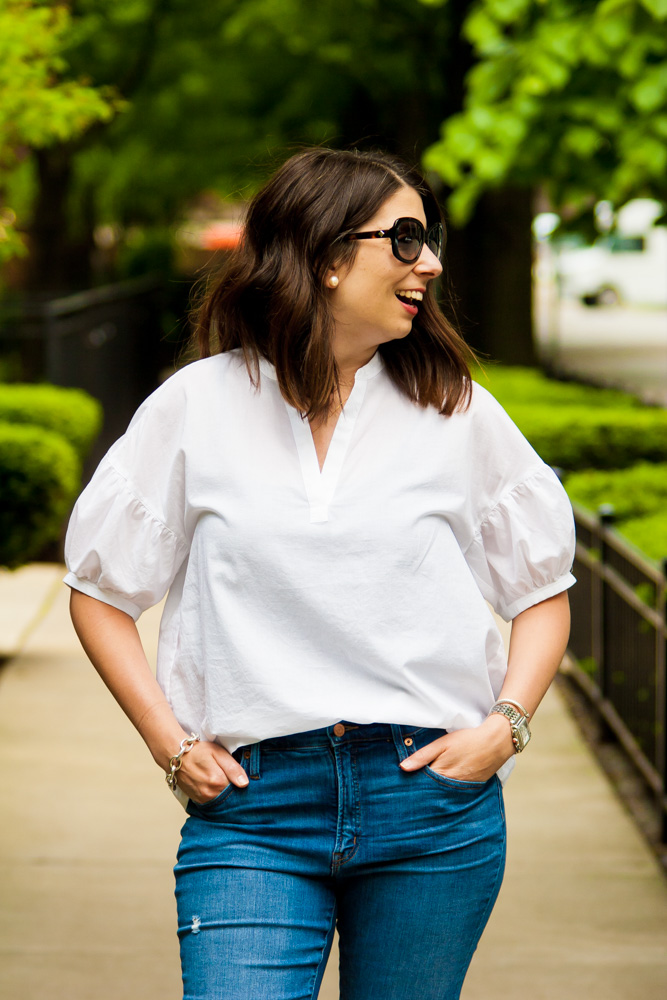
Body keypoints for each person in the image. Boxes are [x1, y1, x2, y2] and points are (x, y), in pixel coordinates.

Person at [64, 147, 575, 1000]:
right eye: (405, 239)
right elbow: (99, 590)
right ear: (328, 256)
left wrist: (505, 727)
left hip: (430, 806)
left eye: (431, 238)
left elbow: (542, 590)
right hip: (255, 812)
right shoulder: (196, 407)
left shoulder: (457, 411)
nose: (431, 263)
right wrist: (171, 743)